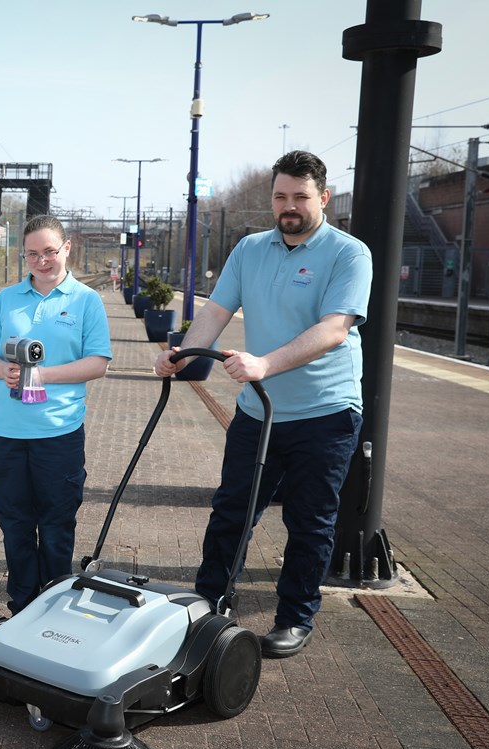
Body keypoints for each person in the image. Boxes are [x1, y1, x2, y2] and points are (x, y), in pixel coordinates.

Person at [154, 150, 371, 658]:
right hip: (259, 412)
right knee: (232, 509)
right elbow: (217, 310)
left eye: (300, 196)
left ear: (323, 197)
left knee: (310, 520)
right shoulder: (250, 249)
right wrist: (182, 355)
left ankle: (295, 617)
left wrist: (264, 365)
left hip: (326, 413)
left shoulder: (348, 254)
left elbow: (335, 329)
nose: (288, 205)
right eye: (280, 196)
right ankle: (207, 604)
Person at [0, 215, 112, 614]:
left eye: (50, 251)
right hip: (6, 431)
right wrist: (3, 370)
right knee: (15, 524)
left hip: (58, 432)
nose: (42, 260)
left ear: (67, 248)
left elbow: (98, 363)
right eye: (33, 254)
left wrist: (43, 375)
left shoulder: (86, 300)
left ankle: (54, 606)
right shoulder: (8, 299)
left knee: (56, 526)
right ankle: (21, 605)